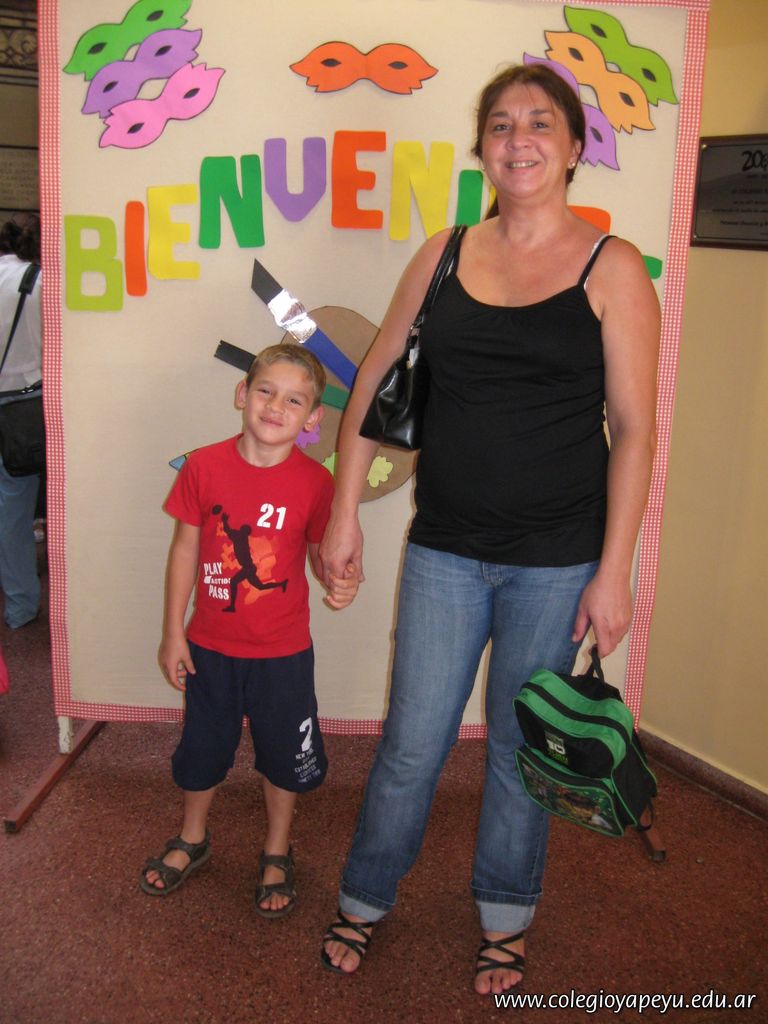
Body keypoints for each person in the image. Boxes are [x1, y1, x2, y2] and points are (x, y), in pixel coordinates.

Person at [319, 63, 660, 994]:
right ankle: (365, 896)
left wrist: (616, 570)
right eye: (502, 124)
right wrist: (343, 510)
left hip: (558, 560)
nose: (520, 140)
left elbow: (635, 429)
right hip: (444, 549)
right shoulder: (444, 253)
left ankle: (506, 915)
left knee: (519, 749)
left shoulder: (612, 266)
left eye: (541, 123)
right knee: (411, 743)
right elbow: (376, 380)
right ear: (482, 147)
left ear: (575, 146)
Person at [140, 343, 360, 916]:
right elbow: (184, 551)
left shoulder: (315, 483)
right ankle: (192, 836)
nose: (275, 407)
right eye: (265, 391)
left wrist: (341, 579)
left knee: (285, 755)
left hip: (283, 654)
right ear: (243, 394)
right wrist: (172, 632)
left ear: (312, 419)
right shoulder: (203, 467)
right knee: (202, 748)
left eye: (294, 400)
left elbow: (322, 555)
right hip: (209, 648)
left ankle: (277, 848)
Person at [0, 213, 42, 630]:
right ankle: (23, 606)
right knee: (19, 509)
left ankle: (19, 605)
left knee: (9, 512)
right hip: (27, 408)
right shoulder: (40, 282)